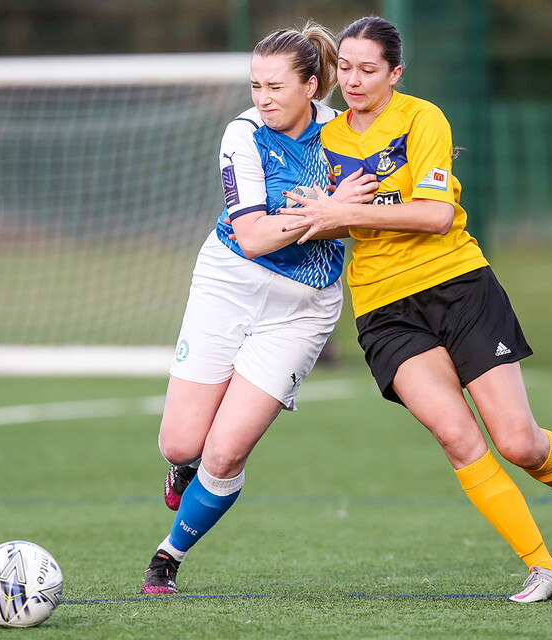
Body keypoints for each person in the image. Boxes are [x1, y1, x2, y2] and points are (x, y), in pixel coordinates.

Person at [281, 16, 552, 603]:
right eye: (344, 68)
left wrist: (339, 214)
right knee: (456, 436)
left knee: (520, 444)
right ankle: (544, 569)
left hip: (458, 287)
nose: (352, 79)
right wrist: (311, 216)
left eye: (368, 69)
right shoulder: (322, 140)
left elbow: (435, 216)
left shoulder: (424, 119)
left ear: (394, 73)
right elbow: (313, 216)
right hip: (384, 309)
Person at [141, 22, 377, 595]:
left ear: (312, 86)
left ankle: (166, 559)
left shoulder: (346, 136)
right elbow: (251, 236)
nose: (263, 98)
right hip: (230, 283)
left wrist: (339, 211)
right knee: (181, 442)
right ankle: (182, 465)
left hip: (303, 308)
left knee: (225, 452)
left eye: (275, 86)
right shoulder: (242, 136)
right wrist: (325, 212)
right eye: (256, 86)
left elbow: (370, 214)